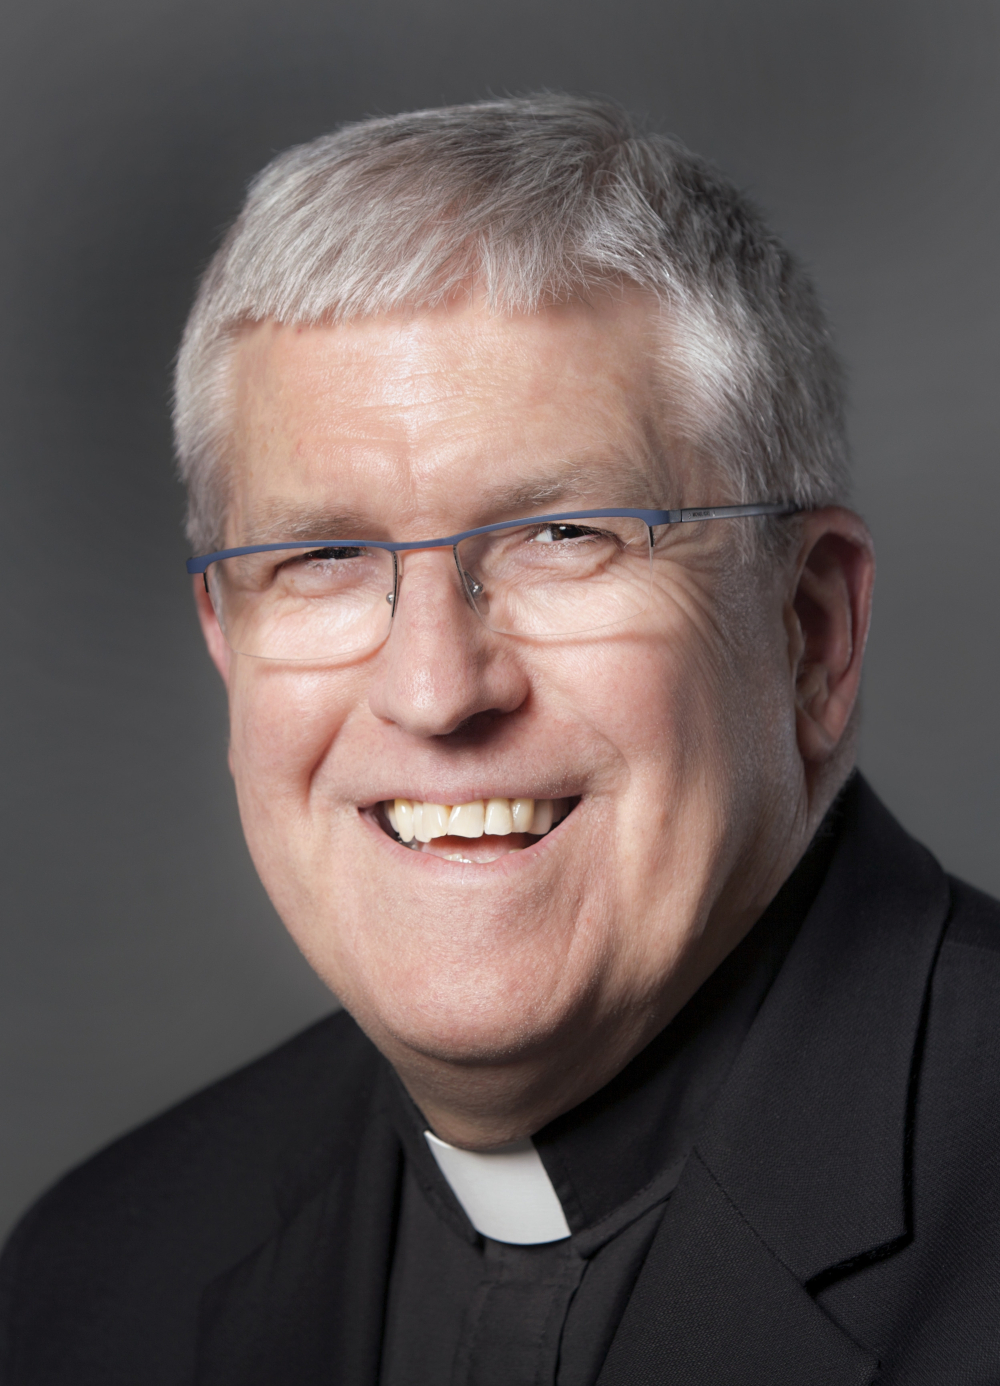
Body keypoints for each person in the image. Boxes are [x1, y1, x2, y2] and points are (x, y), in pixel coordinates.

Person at [1, 94, 998, 1386]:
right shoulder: (95, 1283)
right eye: (324, 556)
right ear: (225, 639)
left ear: (809, 631)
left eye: (564, 533)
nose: (434, 687)